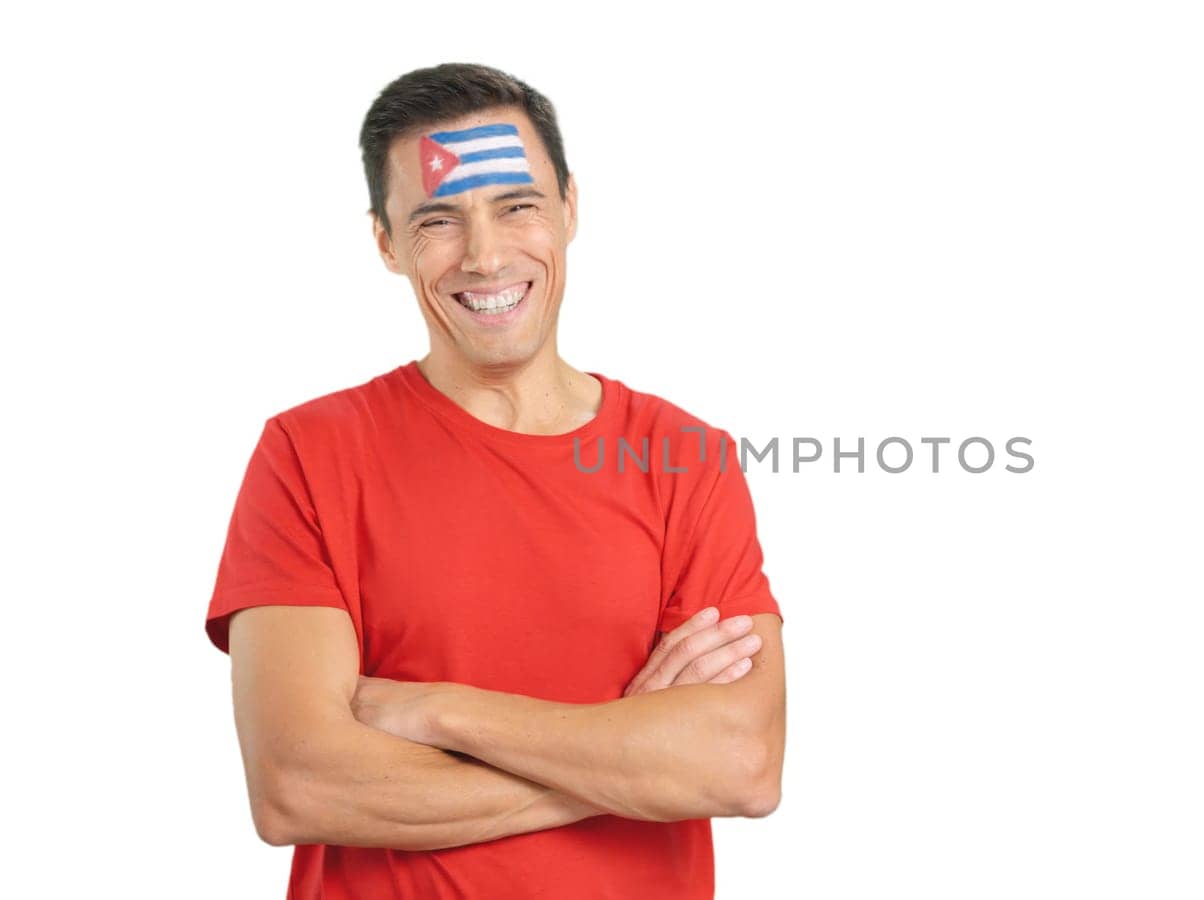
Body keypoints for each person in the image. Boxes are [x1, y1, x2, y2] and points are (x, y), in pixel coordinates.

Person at [203, 62, 786, 899]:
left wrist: (437, 711)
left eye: (517, 207)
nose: (484, 256)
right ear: (386, 242)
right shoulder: (308, 453)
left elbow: (741, 765)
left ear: (570, 209)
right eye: (439, 219)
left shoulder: (683, 457)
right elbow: (299, 785)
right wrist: (629, 760)